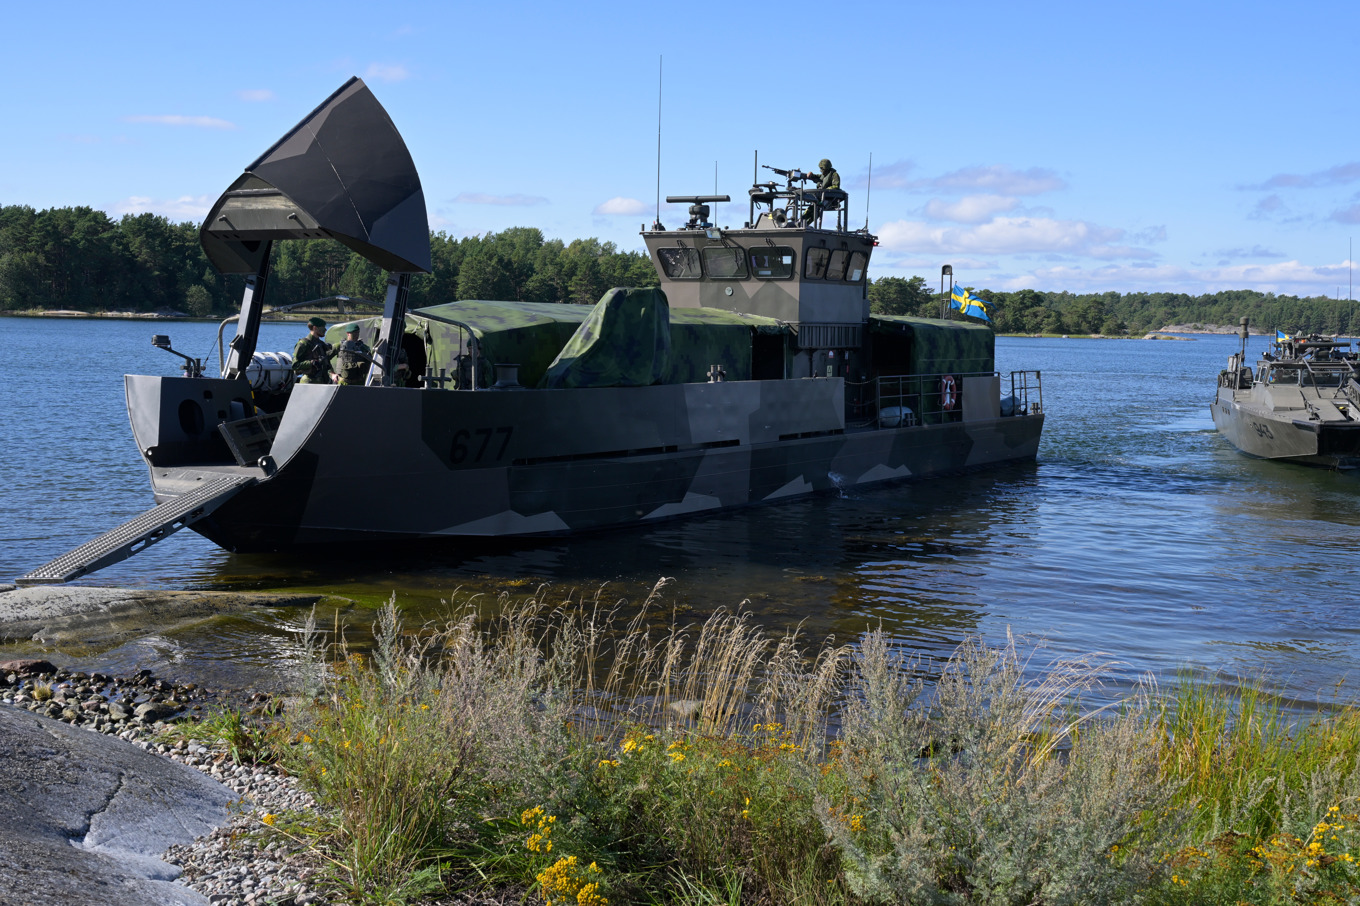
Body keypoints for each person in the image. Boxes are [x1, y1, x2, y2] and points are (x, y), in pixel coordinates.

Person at [292, 316, 334, 384]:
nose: (325, 330)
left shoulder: (321, 344)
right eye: (323, 328)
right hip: (308, 382)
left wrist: (332, 373)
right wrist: (311, 363)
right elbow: (295, 365)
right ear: (315, 328)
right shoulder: (303, 344)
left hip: (322, 381)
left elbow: (327, 363)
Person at [804, 158, 841, 226]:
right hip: (820, 198)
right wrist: (811, 175)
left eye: (822, 168)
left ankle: (806, 224)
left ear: (826, 168)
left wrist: (826, 190)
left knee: (818, 210)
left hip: (829, 198)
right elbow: (816, 177)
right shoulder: (823, 176)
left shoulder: (834, 175)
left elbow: (836, 186)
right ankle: (801, 221)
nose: (821, 170)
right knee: (810, 210)